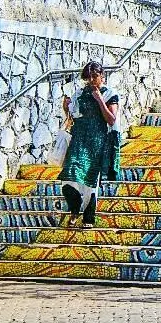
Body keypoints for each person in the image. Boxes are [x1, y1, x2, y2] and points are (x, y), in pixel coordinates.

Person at [58, 61, 120, 227]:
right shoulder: (80, 93)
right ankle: (74, 208)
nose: (92, 80)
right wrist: (66, 108)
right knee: (68, 176)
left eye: (95, 76)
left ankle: (88, 218)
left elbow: (111, 119)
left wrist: (100, 100)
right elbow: (72, 118)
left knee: (90, 181)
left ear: (102, 76)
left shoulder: (109, 94)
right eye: (88, 77)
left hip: (97, 141)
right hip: (79, 139)